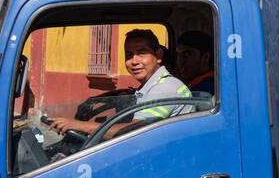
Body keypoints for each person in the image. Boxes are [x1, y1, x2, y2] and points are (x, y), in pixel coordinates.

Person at [47, 28, 190, 136]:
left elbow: (132, 132)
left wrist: (80, 125)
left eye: (141, 53)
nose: (134, 61)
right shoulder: (151, 85)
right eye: (129, 54)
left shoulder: (166, 87)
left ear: (158, 56)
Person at [175, 30, 215, 96]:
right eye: (178, 54)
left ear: (206, 57)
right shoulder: (193, 83)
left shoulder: (206, 88)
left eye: (187, 54)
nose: (180, 61)